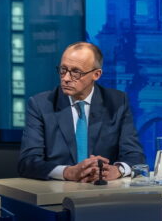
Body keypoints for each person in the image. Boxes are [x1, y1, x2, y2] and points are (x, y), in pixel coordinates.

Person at [18, 42, 146, 181]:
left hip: (105, 194)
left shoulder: (117, 102)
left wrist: (116, 170)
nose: (66, 78)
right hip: (56, 193)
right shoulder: (41, 105)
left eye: (75, 72)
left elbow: (135, 156)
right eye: (63, 70)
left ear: (96, 74)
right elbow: (28, 162)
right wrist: (67, 172)